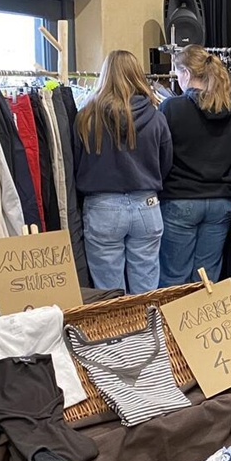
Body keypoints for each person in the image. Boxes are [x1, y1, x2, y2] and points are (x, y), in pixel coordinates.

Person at [74, 49, 172, 293]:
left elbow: (76, 163)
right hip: (146, 204)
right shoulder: (156, 116)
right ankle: (148, 332)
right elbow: (166, 162)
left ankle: (117, 332)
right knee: (147, 293)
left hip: (102, 206)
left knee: (110, 296)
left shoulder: (86, 117)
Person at [157, 45, 231, 287]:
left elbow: (162, 157)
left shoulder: (171, 108)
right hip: (220, 203)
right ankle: (202, 326)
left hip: (180, 200)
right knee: (207, 281)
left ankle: (171, 326)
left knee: (174, 278)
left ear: (185, 73)